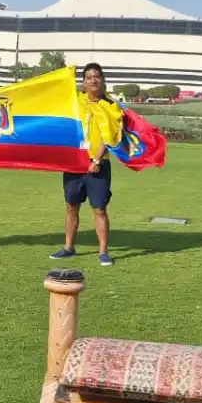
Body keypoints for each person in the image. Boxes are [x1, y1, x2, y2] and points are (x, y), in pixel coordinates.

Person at [50, 63, 122, 267]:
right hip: (74, 163)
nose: (93, 80)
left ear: (102, 79)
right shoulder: (76, 102)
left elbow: (111, 137)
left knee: (99, 209)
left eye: (96, 76)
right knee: (71, 205)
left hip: (98, 165)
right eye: (88, 77)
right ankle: (69, 247)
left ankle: (103, 252)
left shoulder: (110, 106)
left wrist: (97, 161)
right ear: (84, 81)